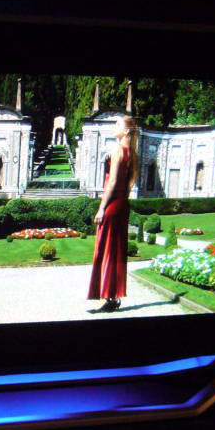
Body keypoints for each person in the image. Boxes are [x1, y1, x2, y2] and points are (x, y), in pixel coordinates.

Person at [88, 114, 139, 311]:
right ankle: (113, 296)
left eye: (117, 124)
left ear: (126, 130)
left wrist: (101, 208)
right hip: (122, 204)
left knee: (106, 248)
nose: (114, 126)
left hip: (112, 205)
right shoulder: (132, 153)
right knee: (116, 249)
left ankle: (109, 296)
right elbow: (126, 185)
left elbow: (112, 182)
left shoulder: (118, 151)